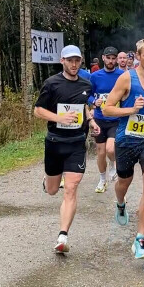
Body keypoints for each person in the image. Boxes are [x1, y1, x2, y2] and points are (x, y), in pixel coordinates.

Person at [101, 38, 144, 259]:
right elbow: (107, 109)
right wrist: (130, 109)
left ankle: (140, 239)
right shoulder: (126, 78)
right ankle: (120, 204)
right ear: (137, 57)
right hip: (126, 140)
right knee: (123, 182)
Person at [34, 45, 101, 253]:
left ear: (81, 61)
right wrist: (59, 118)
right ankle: (48, 181)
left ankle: (63, 235)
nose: (74, 64)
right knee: (53, 190)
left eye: (77, 60)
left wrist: (91, 121)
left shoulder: (86, 84)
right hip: (55, 141)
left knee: (71, 188)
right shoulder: (52, 83)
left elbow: (83, 106)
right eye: (70, 60)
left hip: (76, 142)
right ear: (62, 61)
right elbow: (38, 110)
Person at [89, 46, 125, 193]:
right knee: (100, 152)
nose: (111, 61)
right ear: (103, 58)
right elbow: (88, 94)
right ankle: (102, 179)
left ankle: (113, 164)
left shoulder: (122, 75)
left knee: (110, 148)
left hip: (115, 119)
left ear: (116, 59)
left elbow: (128, 93)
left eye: (113, 58)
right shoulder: (95, 76)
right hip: (99, 118)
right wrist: (93, 101)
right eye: (108, 58)